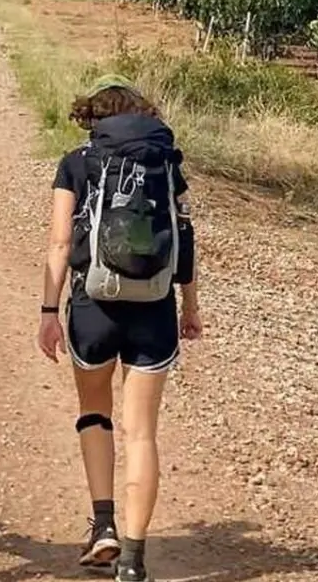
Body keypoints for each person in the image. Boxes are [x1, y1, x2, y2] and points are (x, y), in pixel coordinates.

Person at [36, 75, 202, 582]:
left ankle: (103, 526)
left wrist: (48, 311)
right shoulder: (165, 165)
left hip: (94, 305)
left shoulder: (76, 163)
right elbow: (185, 239)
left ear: (93, 119)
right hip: (154, 306)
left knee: (95, 413)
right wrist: (189, 308)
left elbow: (61, 244)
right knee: (143, 433)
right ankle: (133, 557)